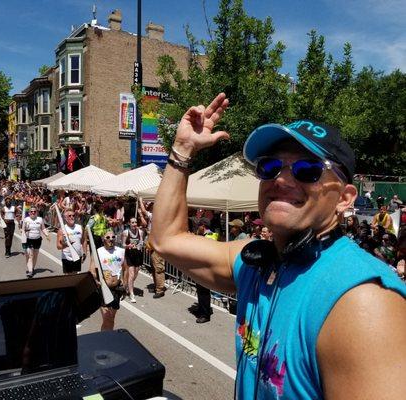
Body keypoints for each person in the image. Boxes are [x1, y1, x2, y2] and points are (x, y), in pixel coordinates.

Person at [150, 93, 405, 399]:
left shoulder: (362, 301)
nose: (281, 180)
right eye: (270, 167)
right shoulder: (257, 263)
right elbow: (166, 240)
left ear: (345, 198)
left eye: (307, 170)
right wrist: (183, 150)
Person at [89, 229, 127, 331]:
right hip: (104, 289)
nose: (111, 239)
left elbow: (125, 268)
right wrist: (96, 281)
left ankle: (108, 337)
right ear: (103, 239)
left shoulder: (121, 251)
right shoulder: (98, 252)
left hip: (117, 289)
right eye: (108, 237)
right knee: (107, 318)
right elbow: (92, 270)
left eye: (113, 237)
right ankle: (105, 340)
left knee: (112, 318)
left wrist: (125, 282)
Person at [56, 208, 87, 274]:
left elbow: (84, 241)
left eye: (73, 215)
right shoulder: (62, 230)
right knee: (68, 278)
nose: (72, 217)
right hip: (67, 258)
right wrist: (67, 245)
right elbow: (58, 246)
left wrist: (85, 253)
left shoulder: (80, 227)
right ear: (65, 218)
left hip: (77, 256)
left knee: (75, 276)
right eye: (69, 216)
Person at [122, 217, 144, 302]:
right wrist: (128, 246)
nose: (134, 224)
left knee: (136, 273)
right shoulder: (126, 232)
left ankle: (127, 285)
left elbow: (141, 242)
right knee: (131, 274)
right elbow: (123, 244)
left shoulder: (140, 232)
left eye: (135, 222)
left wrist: (140, 245)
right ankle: (132, 294)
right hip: (129, 254)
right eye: (132, 223)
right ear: (129, 224)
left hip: (138, 254)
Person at [23, 207, 49, 278]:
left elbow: (43, 228)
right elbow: (22, 229)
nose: (33, 213)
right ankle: (30, 271)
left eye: (34, 211)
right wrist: (22, 229)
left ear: (36, 212)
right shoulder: (26, 219)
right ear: (29, 213)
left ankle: (32, 268)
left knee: (35, 255)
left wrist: (46, 235)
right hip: (29, 240)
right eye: (31, 211)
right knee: (30, 255)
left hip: (37, 240)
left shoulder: (40, 219)